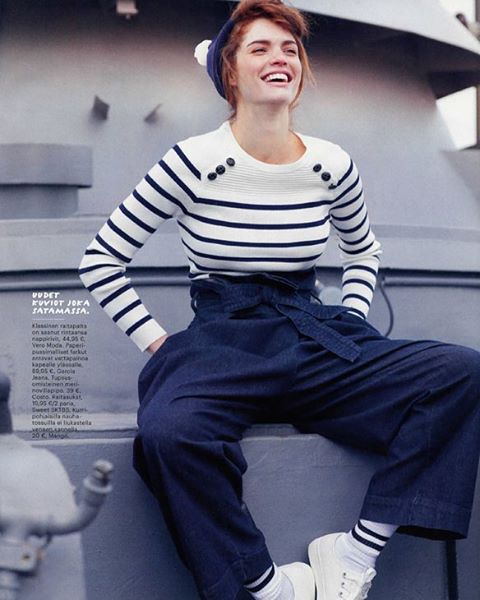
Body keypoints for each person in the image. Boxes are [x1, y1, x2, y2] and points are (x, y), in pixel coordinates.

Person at [78, 1, 480, 598]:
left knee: (459, 373)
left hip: (311, 329)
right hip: (224, 336)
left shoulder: (331, 163)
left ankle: (354, 551)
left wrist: (350, 317)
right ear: (230, 71)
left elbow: (362, 251)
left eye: (290, 49)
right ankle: (266, 586)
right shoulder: (192, 161)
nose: (280, 59)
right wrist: (159, 343)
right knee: (169, 433)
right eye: (260, 48)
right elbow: (100, 259)